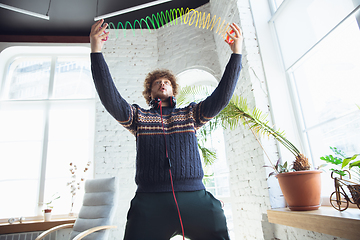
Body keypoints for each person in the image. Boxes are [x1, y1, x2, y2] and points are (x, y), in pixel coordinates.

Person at [90, 19, 243, 240]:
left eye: (167, 82)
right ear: (150, 94)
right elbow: (110, 97)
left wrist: (236, 53)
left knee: (218, 220)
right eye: (157, 83)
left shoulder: (191, 114)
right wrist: (96, 51)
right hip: (149, 201)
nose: (162, 84)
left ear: (173, 91)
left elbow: (222, 96)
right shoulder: (139, 117)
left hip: (195, 198)